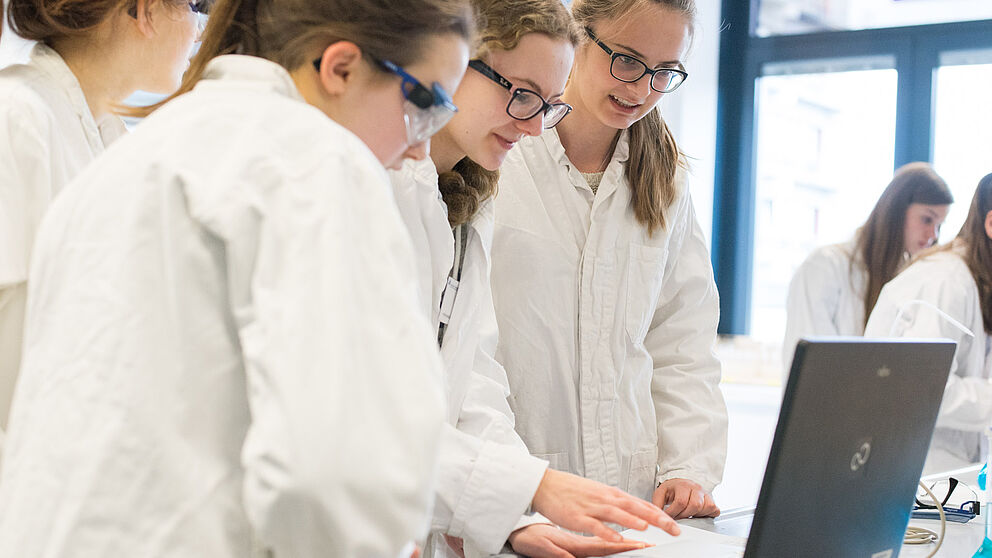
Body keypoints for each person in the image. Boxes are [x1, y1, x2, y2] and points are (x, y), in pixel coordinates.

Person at [0, 0, 474, 556]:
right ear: (340, 67)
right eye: (424, 105)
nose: (421, 146)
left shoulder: (139, 152)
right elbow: (332, 472)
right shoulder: (312, 160)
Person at [390, 1, 679, 557]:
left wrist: (514, 516)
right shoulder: (386, 187)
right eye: (520, 94)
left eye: (546, 106)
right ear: (452, 62)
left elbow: (471, 376)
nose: (529, 125)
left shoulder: (468, 199)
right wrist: (528, 489)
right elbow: (366, 409)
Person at [490, 0, 728, 524]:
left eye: (665, 72)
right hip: (516, 492)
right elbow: (466, 349)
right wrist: (493, 488)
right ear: (577, 36)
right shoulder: (501, 154)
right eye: (626, 59)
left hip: (631, 493)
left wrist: (686, 467)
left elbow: (681, 343)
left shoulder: (667, 181)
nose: (641, 89)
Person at [0, 0, 202, 440]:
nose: (199, 30)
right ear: (145, 11)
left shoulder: (101, 131)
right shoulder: (18, 116)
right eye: (194, 5)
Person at [865, 173, 992, 471]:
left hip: (946, 477)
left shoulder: (975, 281)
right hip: (913, 474)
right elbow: (923, 387)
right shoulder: (945, 281)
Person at [783, 162, 954, 368]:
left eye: (939, 226)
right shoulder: (824, 267)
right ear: (896, 210)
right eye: (927, 219)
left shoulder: (907, 279)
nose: (933, 235)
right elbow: (811, 367)